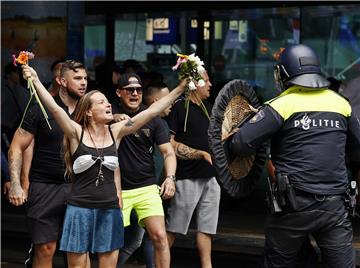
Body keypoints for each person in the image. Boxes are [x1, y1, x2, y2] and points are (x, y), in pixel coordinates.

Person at [21, 65, 186, 268]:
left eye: (108, 101)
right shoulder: (75, 133)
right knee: (78, 266)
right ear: (89, 111)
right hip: (79, 209)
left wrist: (181, 87)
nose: (108, 105)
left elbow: (153, 111)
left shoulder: (115, 132)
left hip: (109, 209)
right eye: (101, 102)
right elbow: (54, 109)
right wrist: (36, 79)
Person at [227, 44, 360, 267]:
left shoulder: (281, 105)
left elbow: (241, 145)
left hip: (292, 207)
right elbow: (358, 151)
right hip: (335, 205)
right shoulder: (341, 104)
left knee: (280, 262)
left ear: (284, 74)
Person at [8, 60, 88, 268]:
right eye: (77, 78)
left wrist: (117, 116)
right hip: (45, 187)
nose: (83, 83)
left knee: (79, 250)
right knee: (45, 249)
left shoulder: (89, 110)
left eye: (85, 78)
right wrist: (16, 182)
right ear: (61, 81)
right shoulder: (39, 109)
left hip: (79, 187)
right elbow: (17, 146)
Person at [113, 74, 177, 268]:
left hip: (147, 187)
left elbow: (168, 152)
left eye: (138, 90)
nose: (135, 93)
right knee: (112, 244)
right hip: (116, 189)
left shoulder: (154, 120)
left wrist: (170, 178)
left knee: (160, 237)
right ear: (119, 92)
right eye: (130, 90)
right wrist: (113, 118)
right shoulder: (108, 113)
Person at [166, 69, 221, 268]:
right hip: (187, 177)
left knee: (207, 229)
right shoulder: (179, 107)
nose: (210, 85)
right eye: (206, 81)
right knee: (174, 228)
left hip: (210, 177)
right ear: (193, 83)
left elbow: (214, 140)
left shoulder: (208, 107)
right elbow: (168, 143)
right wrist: (198, 153)